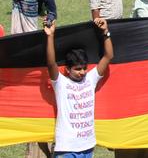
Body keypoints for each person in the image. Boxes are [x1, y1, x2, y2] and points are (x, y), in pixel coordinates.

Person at [45, 18, 113, 158]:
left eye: (84, 68)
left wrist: (105, 32)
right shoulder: (61, 84)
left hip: (87, 147)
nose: (82, 72)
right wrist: (50, 36)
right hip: (67, 148)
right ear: (67, 69)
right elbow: (51, 64)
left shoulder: (91, 79)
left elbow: (108, 56)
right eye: (77, 69)